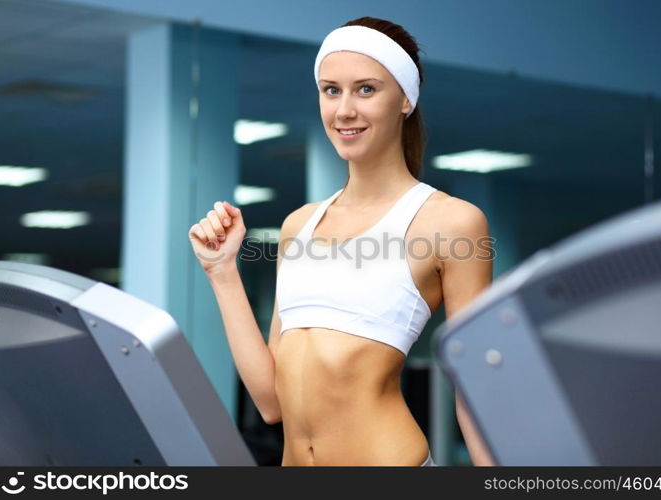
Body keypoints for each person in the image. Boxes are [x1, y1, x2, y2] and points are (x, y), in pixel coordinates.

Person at [188, 16, 495, 467]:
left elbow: (477, 388)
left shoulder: (451, 222)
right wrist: (222, 273)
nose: (344, 110)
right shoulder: (299, 226)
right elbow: (272, 402)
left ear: (405, 99)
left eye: (366, 89)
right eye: (331, 90)